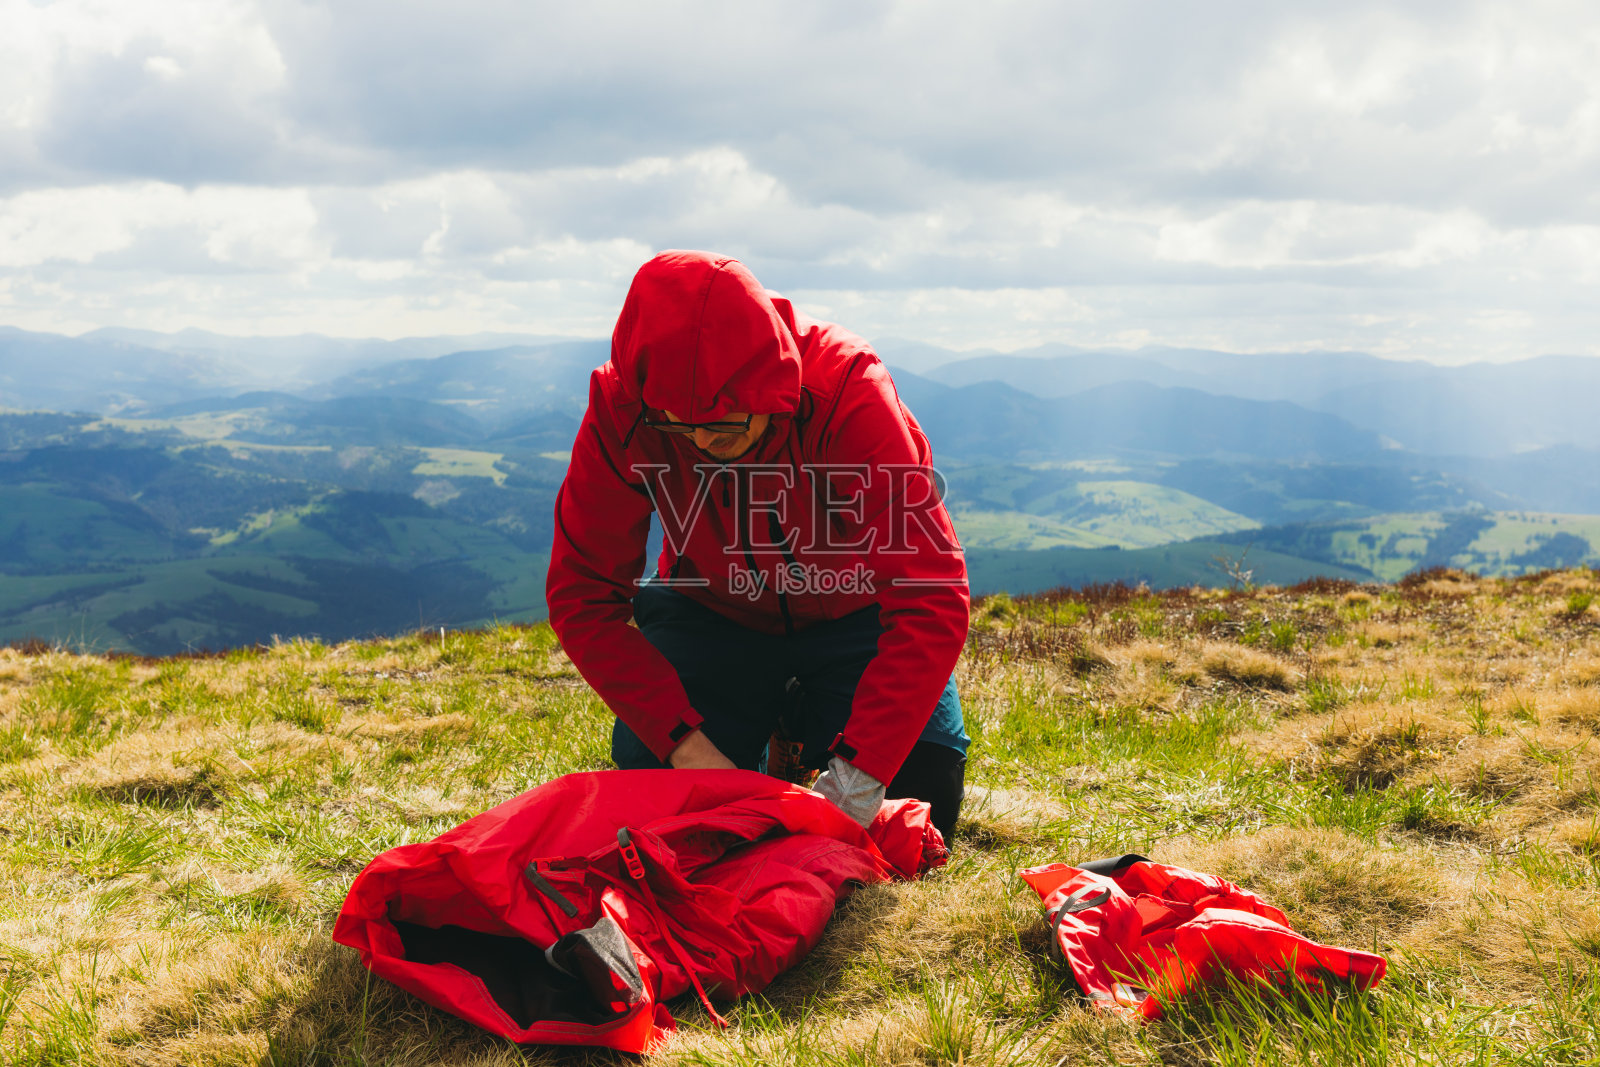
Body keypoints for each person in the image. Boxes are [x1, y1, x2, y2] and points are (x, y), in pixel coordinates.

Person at [545, 250, 970, 841]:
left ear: (771, 387)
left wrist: (858, 776)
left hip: (855, 614)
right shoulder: (624, 406)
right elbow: (583, 594)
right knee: (662, 792)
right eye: (677, 426)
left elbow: (929, 593)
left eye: (723, 426)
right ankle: (777, 742)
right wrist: (686, 747)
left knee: (922, 794)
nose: (700, 443)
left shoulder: (848, 389)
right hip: (712, 616)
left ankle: (792, 732)